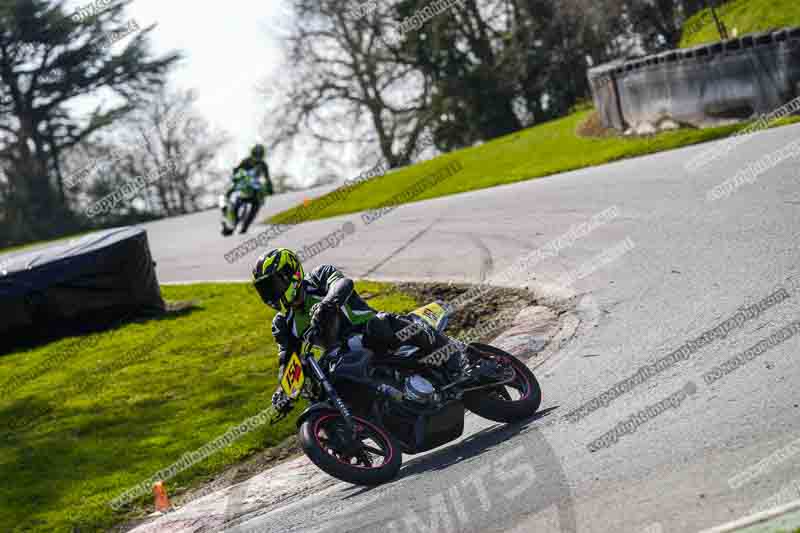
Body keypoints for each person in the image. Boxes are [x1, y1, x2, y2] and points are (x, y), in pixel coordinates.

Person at [250, 248, 462, 412]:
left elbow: (342, 283)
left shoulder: (319, 277)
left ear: (291, 274)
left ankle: (453, 357)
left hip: (373, 330)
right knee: (321, 382)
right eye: (264, 290)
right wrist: (284, 390)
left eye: (273, 285)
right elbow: (287, 360)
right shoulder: (282, 323)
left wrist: (328, 303)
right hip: (343, 352)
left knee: (377, 325)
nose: (270, 294)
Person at [224, 144, 274, 234]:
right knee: (235, 201)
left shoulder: (263, 164)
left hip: (256, 187)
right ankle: (232, 224)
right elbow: (237, 172)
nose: (257, 158)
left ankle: (245, 228)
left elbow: (267, 177)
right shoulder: (246, 161)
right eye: (256, 155)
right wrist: (236, 178)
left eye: (260, 155)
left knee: (257, 204)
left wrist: (270, 187)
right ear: (252, 153)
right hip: (244, 185)